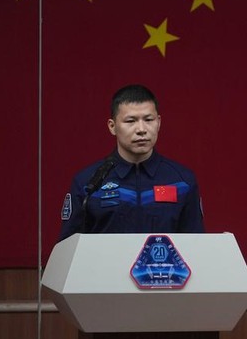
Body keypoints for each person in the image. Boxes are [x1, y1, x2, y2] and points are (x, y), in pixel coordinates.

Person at [58, 84, 205, 241]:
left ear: (159, 122)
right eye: (130, 121)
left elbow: (196, 247)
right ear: (112, 126)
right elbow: (69, 250)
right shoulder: (88, 183)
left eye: (149, 120)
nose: (141, 129)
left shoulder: (182, 181)